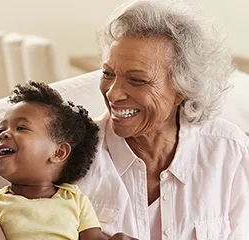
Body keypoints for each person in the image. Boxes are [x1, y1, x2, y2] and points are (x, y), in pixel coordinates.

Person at [76, 0, 249, 239]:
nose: (113, 93)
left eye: (137, 80)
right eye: (108, 74)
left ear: (182, 89)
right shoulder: (73, 153)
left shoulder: (228, 150)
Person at [0, 81, 107, 239]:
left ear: (58, 152)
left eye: (21, 128)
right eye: (2, 129)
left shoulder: (75, 199)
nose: (2, 135)